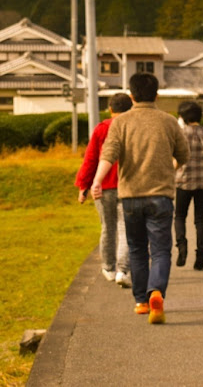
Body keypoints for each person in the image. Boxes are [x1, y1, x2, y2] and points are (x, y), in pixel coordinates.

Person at [91, 73, 189, 325]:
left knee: (136, 248)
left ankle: (141, 302)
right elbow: (184, 155)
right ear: (156, 95)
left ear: (132, 96)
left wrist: (97, 181)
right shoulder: (168, 122)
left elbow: (109, 154)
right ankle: (156, 291)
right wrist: (172, 167)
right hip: (161, 196)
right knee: (160, 251)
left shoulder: (120, 122)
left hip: (131, 196)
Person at [74, 92, 133, 287]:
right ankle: (123, 270)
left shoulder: (102, 128)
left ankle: (108, 268)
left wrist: (83, 186)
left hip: (103, 188)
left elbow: (90, 159)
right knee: (126, 230)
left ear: (110, 109)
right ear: (130, 108)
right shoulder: (133, 127)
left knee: (107, 228)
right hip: (128, 187)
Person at [174, 101, 203, 271]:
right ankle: (200, 256)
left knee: (179, 216)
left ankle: (181, 246)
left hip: (182, 182)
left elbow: (173, 158)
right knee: (200, 219)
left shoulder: (180, 134)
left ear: (183, 117)